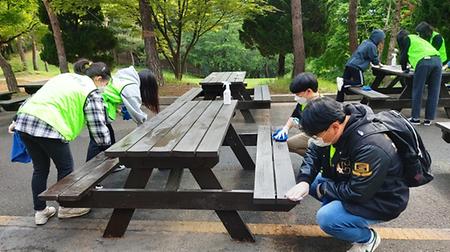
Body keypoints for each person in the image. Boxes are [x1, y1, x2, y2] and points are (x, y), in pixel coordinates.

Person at [285, 97, 409, 252]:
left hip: (382, 199)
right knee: (310, 183)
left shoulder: (370, 146)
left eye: (316, 136)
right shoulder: (336, 124)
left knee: (327, 218)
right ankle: (343, 218)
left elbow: (357, 192)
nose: (315, 140)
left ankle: (368, 238)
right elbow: (314, 152)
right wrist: (304, 180)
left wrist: (324, 189)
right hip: (351, 182)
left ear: (335, 126)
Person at [8, 62, 112, 225]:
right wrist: (108, 147)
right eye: (105, 84)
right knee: (65, 168)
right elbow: (98, 127)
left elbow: (37, 96)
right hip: (49, 126)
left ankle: (40, 212)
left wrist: (16, 120)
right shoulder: (91, 92)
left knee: (40, 168)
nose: (104, 87)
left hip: (25, 120)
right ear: (98, 79)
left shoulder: (65, 77)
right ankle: (66, 207)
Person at [73, 60, 160, 163]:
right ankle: (89, 168)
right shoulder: (131, 87)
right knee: (98, 141)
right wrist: (146, 125)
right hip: (98, 108)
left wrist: (119, 110)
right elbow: (136, 113)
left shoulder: (125, 77)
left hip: (101, 106)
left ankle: (112, 161)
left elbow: (111, 94)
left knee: (106, 137)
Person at [397, 29, 442, 125]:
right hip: (438, 61)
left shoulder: (407, 39)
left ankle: (415, 118)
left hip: (424, 62)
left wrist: (404, 68)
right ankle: (428, 119)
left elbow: (403, 57)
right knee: (434, 90)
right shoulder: (418, 38)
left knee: (418, 89)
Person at [272, 72, 320, 156]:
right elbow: (294, 116)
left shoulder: (321, 106)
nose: (296, 97)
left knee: (316, 151)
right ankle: (315, 159)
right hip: (308, 135)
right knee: (286, 145)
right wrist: (286, 128)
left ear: (308, 91)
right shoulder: (304, 100)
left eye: (298, 94)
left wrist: (299, 125)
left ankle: (318, 160)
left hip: (321, 138)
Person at [336, 29, 385, 102]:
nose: (381, 41)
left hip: (349, 64)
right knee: (359, 83)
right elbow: (374, 59)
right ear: (378, 39)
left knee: (341, 85)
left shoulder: (365, 42)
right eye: (381, 39)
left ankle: (339, 101)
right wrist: (379, 64)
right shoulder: (372, 46)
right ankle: (342, 80)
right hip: (357, 67)